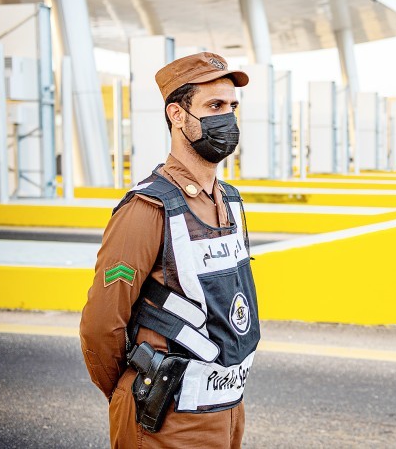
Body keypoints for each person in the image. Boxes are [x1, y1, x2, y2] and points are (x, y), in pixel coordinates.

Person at [80, 52, 261, 448]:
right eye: (214, 106)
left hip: (228, 414)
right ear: (177, 115)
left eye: (232, 107)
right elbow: (100, 328)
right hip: (165, 423)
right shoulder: (147, 209)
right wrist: (128, 394)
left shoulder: (231, 203)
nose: (227, 119)